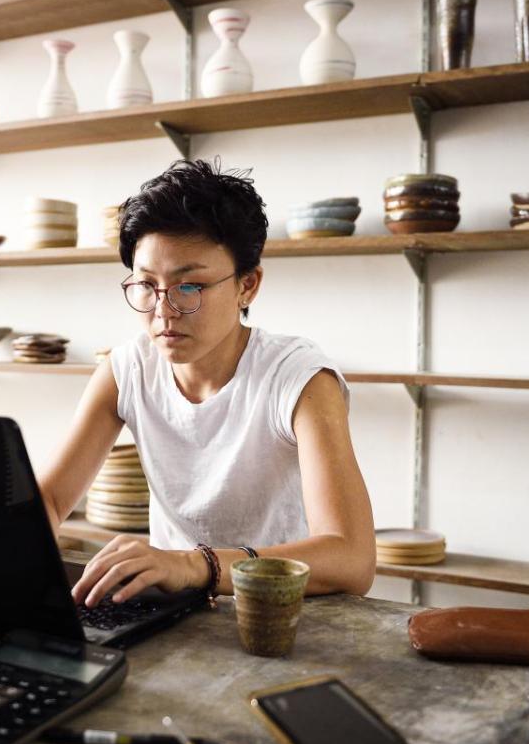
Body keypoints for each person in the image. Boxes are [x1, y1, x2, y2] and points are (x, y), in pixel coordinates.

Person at [38, 159, 375, 610]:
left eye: (189, 286)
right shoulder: (127, 370)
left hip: (283, 611)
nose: (163, 311)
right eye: (145, 285)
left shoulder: (298, 379)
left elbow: (351, 559)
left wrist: (195, 566)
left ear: (247, 285)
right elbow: (53, 497)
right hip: (173, 610)